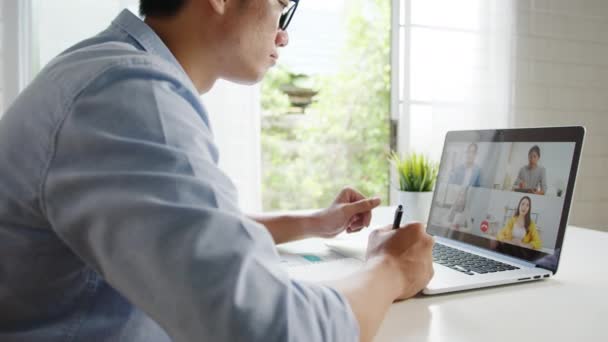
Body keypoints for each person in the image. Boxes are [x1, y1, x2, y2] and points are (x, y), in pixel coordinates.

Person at [0, 1, 434, 341]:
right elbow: (271, 330)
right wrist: (390, 269)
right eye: (283, 5)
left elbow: (175, 230)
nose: (283, 34)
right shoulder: (128, 93)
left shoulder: (103, 69)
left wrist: (314, 222)